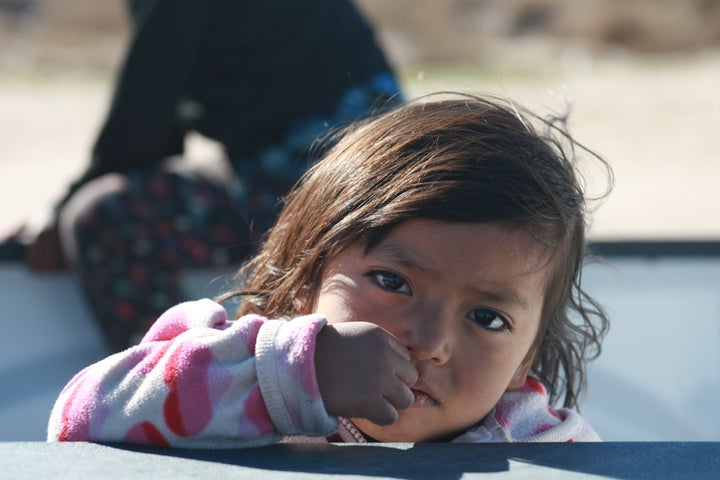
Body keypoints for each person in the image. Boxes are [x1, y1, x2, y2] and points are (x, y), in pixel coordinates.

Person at [47, 93, 611, 446]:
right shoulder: (235, 376)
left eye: (487, 318)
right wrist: (295, 374)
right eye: (394, 282)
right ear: (304, 279)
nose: (430, 342)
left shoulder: (543, 445)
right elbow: (78, 420)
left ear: (524, 361)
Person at [7, 0, 402, 351]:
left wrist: (60, 214)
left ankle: (174, 387)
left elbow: (147, 113)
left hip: (329, 187)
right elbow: (157, 119)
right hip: (369, 169)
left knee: (107, 216)